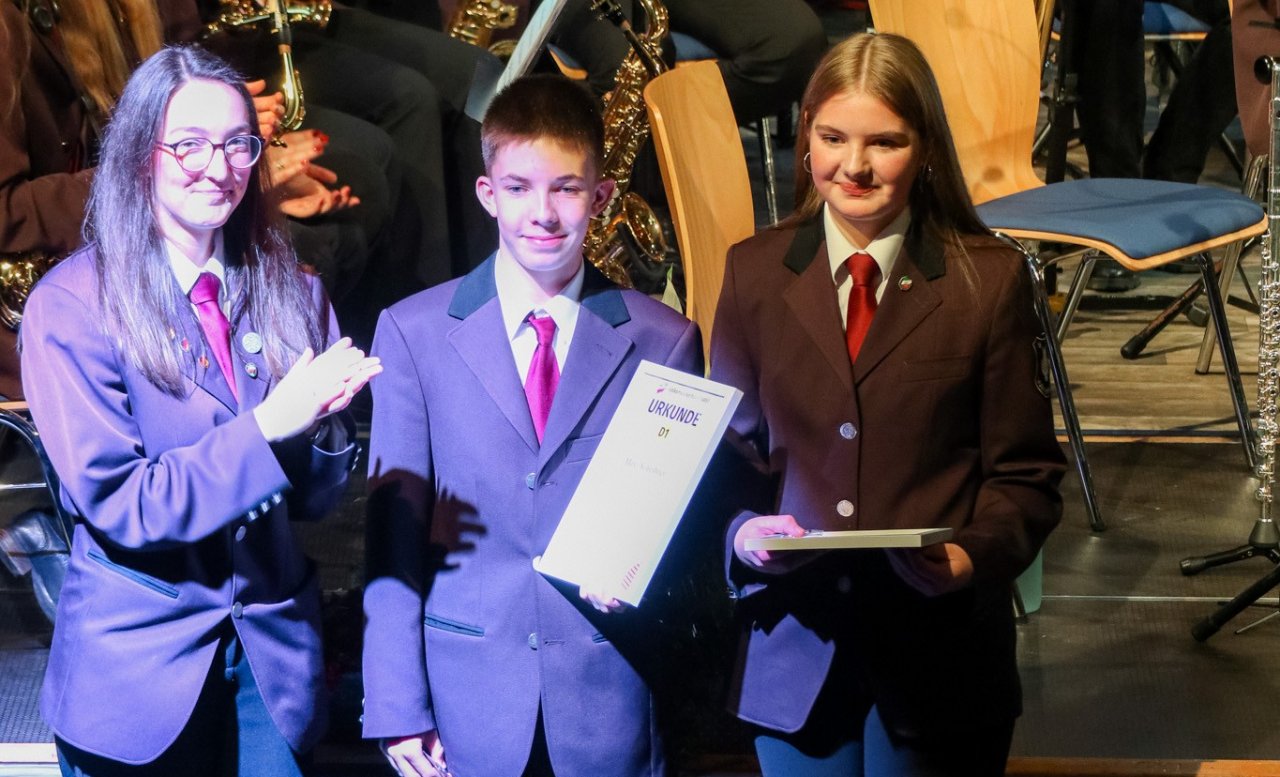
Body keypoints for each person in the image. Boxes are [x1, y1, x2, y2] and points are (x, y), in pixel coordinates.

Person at [18, 45, 381, 775]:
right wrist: (272, 423)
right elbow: (126, 505)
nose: (217, 168)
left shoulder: (294, 291)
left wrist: (326, 425)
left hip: (270, 671)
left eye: (237, 144)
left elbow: (315, 500)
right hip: (136, 682)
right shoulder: (71, 307)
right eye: (188, 144)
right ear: (139, 155)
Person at [711, 33, 1065, 776]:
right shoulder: (752, 273)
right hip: (797, 655)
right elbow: (726, 464)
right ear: (805, 139)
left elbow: (1026, 475)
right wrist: (744, 535)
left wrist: (969, 557)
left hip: (941, 661)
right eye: (832, 138)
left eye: (885, 142)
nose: (855, 165)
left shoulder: (988, 280)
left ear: (925, 147)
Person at [361, 73, 701, 777]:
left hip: (608, 694)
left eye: (566, 188)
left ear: (601, 197)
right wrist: (397, 704)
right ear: (488, 193)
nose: (542, 213)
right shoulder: (414, 333)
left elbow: (678, 522)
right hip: (467, 700)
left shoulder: (662, 340)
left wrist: (644, 569)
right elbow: (392, 536)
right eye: (518, 187)